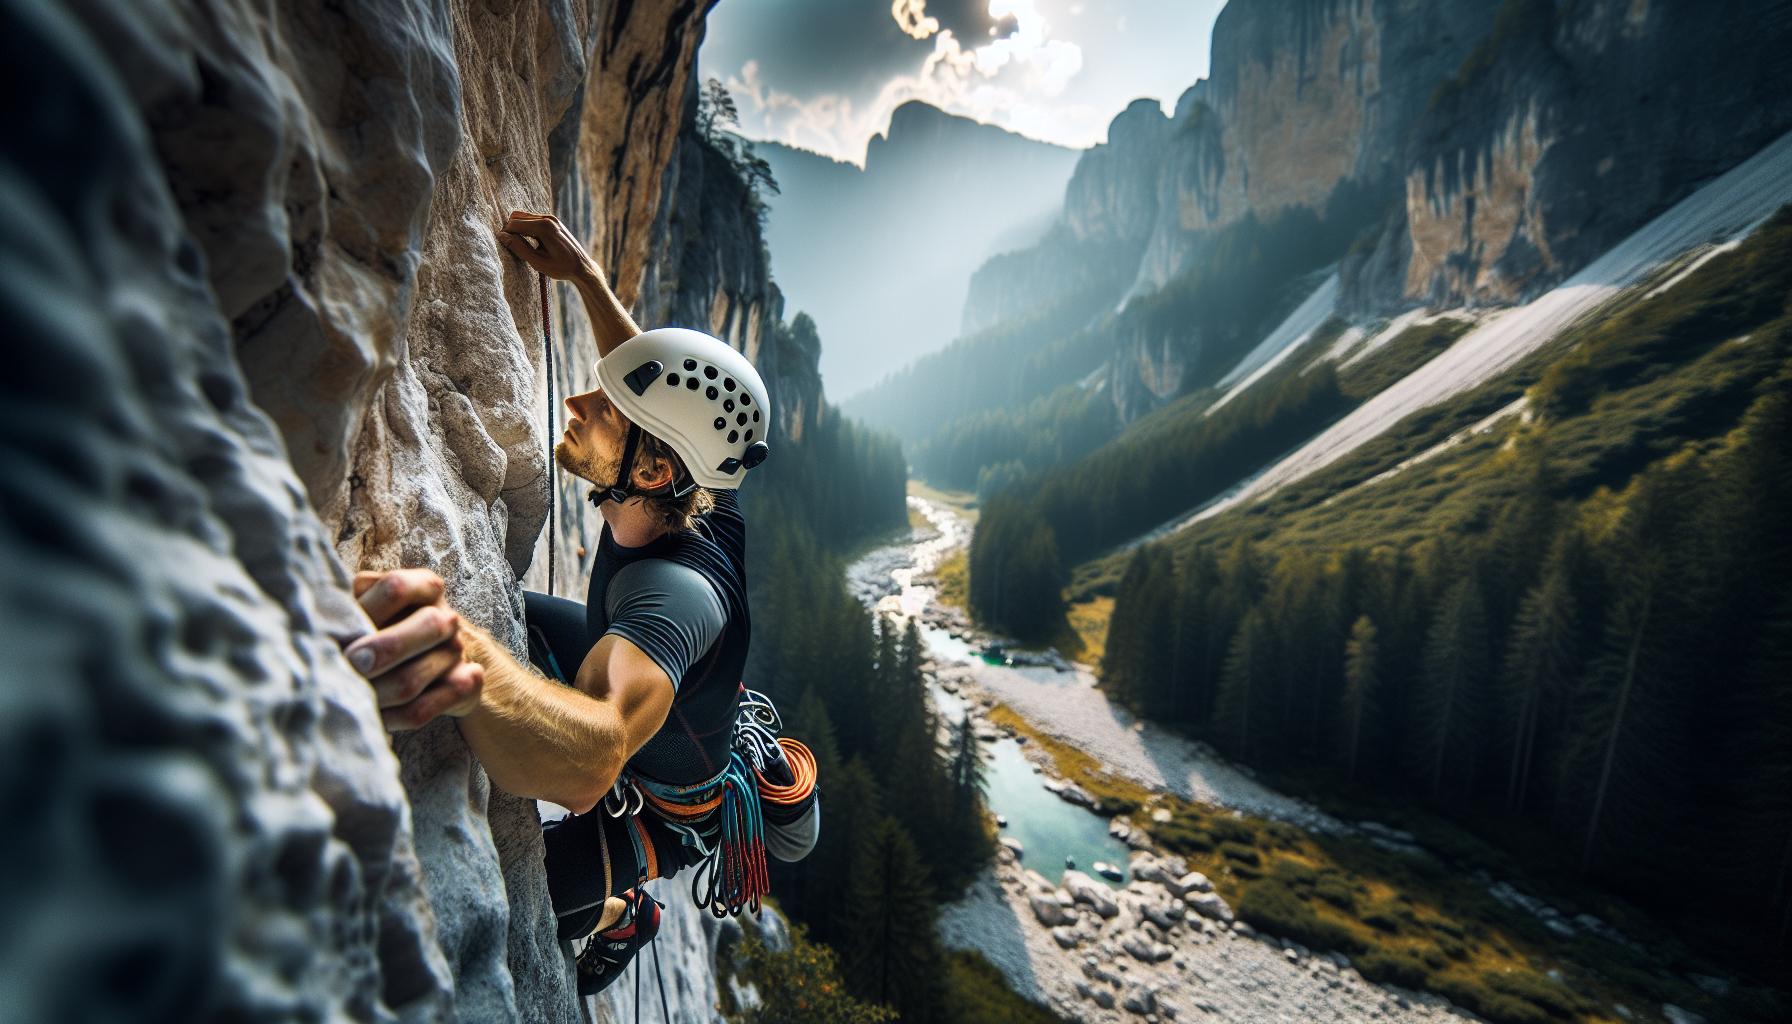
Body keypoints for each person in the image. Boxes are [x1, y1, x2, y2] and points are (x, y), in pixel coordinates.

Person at [343, 211, 816, 996]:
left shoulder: (674, 597)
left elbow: (592, 761)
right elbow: (664, 396)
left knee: (528, 901)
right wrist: (586, 278)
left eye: (606, 405)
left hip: (667, 807)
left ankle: (622, 917)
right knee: (513, 610)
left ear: (656, 470)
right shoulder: (705, 482)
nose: (579, 399)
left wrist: (466, 657)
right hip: (659, 689)